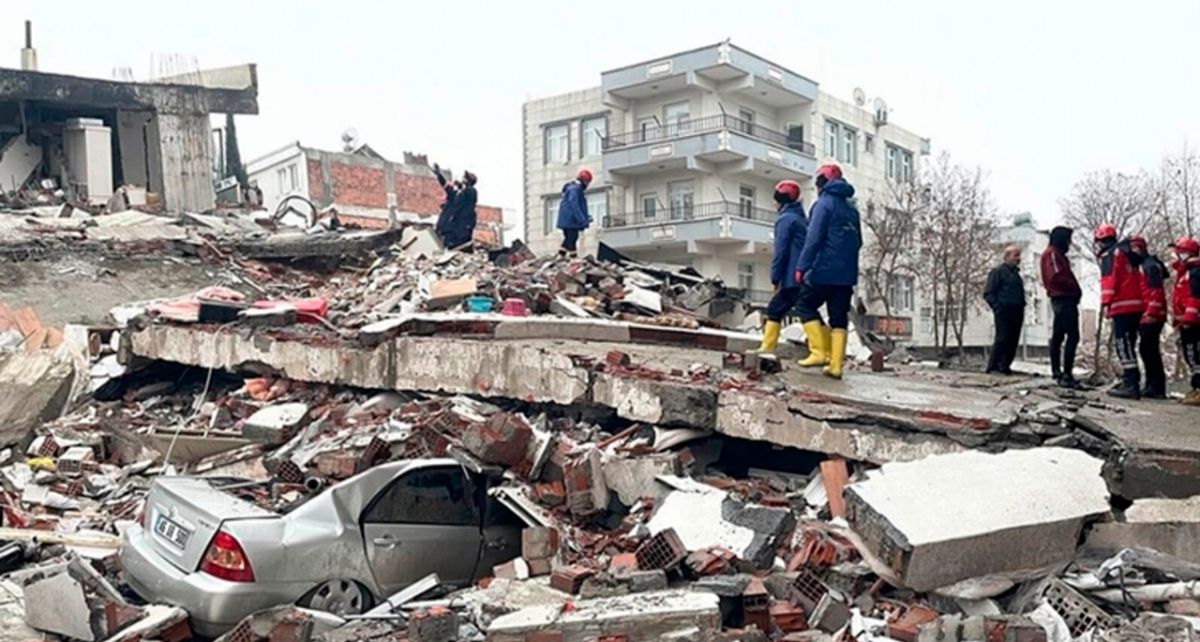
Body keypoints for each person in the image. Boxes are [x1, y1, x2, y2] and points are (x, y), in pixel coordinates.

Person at [795, 164, 861, 379]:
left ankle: (819, 352)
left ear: (822, 182)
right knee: (838, 318)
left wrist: (802, 266)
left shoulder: (823, 205)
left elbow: (812, 240)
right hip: (847, 274)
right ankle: (836, 366)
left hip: (823, 270)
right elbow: (858, 242)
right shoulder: (852, 209)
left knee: (805, 305)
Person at [753, 179, 808, 354]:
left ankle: (767, 347)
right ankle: (824, 350)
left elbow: (781, 251)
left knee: (776, 309)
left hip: (791, 277)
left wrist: (775, 277)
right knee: (807, 311)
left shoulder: (786, 220)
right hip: (802, 274)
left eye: (776, 199)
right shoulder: (800, 218)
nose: (774, 203)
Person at [1095, 224, 1146, 399]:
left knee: (1123, 345)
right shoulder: (1127, 254)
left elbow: (1109, 280)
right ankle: (1131, 380)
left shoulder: (1110, 255)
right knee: (1130, 344)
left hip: (1122, 305)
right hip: (1136, 305)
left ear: (1101, 241)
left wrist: (1105, 302)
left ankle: (1131, 383)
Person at [1040, 226, 1082, 388]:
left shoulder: (1056, 254)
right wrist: (1074, 289)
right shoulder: (1053, 254)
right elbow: (1056, 276)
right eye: (1068, 240)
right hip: (1064, 298)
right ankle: (1065, 375)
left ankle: (1058, 371)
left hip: (1062, 298)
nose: (1070, 243)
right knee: (1072, 335)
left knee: (1058, 335)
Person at [1130, 235, 1169, 399]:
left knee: (1149, 349)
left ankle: (1156, 386)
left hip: (1153, 315)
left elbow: (1155, 291)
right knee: (1147, 349)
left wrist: (1151, 312)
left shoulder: (1150, 266)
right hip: (1148, 313)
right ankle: (1152, 385)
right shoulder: (1145, 265)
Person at [984, 246, 1026, 375]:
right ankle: (993, 366)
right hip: (1004, 311)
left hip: (1017, 311)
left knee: (1013, 339)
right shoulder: (998, 272)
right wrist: (998, 307)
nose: (1018, 259)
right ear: (1007, 257)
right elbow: (988, 293)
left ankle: (1005, 365)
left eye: (1019, 256)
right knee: (1002, 338)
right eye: (1015, 255)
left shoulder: (1017, 275)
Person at [1170, 236, 1200, 406]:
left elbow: (1195, 297)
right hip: (1187, 321)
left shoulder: (1195, 272)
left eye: (1179, 252)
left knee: (1196, 355)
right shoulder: (1186, 272)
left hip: (1194, 322)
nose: (1175, 255)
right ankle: (1196, 387)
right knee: (1191, 356)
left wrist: (1189, 317)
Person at [556, 169, 592, 258]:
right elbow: (575, 205)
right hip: (571, 220)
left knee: (571, 239)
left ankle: (572, 257)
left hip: (568, 219)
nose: (588, 185)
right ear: (584, 181)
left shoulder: (573, 188)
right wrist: (582, 220)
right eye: (587, 182)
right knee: (571, 238)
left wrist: (585, 217)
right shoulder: (575, 189)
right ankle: (561, 255)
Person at [432, 163, 458, 245]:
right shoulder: (451, 203)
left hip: (446, 232)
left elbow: (446, 186)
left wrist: (439, 174)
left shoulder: (454, 196)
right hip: (444, 230)